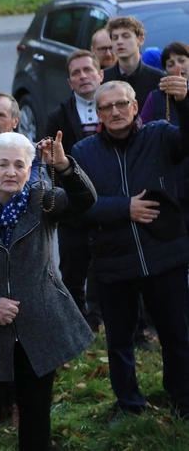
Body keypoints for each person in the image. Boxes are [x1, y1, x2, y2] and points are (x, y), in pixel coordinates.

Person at [0, 132, 96, 450]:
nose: (11, 172)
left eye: (20, 165)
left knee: (35, 416)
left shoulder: (43, 201)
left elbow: (85, 200)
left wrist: (65, 167)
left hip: (37, 328)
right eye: (3, 164)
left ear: (30, 170)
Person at [72, 80, 189, 419]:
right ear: (98, 114)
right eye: (106, 107)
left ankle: (182, 399)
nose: (115, 111)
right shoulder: (84, 152)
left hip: (164, 255)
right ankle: (129, 405)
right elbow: (80, 206)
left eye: (122, 104)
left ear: (135, 106)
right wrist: (126, 209)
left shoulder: (161, 135)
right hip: (113, 261)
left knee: (176, 335)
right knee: (120, 341)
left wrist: (185, 102)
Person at [43, 50, 103, 329]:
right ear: (69, 82)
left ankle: (102, 318)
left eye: (88, 70)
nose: (83, 77)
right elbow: (52, 169)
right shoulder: (57, 117)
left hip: (110, 204)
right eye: (76, 73)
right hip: (75, 211)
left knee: (106, 270)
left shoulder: (116, 108)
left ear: (100, 74)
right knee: (73, 270)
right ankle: (77, 324)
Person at [140, 41, 189, 231]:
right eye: (170, 63)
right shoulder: (156, 97)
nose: (177, 66)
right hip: (171, 178)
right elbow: (143, 132)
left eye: (182, 60)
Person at [102, 17, 164, 113]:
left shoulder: (158, 79)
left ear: (140, 40)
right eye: (115, 38)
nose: (119, 42)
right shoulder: (102, 79)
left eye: (126, 36)